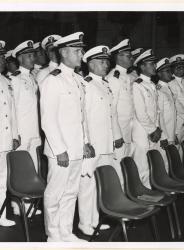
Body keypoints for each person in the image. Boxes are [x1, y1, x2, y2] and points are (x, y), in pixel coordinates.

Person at [40, 32, 90, 242]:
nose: (82, 55)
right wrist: (60, 150)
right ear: (64, 52)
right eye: (78, 51)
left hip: (76, 147)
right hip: (59, 150)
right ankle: (53, 236)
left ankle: (66, 232)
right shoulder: (52, 81)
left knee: (71, 192)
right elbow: (48, 120)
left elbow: (82, 116)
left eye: (81, 50)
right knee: (55, 193)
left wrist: (86, 142)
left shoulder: (77, 80)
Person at [78, 45, 122, 236]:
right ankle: (84, 223)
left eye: (107, 62)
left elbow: (112, 115)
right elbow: (82, 117)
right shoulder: (85, 84)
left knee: (99, 183)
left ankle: (95, 219)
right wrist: (86, 142)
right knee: (87, 185)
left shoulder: (104, 84)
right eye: (102, 62)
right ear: (91, 64)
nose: (107, 65)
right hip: (93, 144)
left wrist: (116, 137)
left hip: (105, 144)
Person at [132, 49, 162, 188]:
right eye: (151, 64)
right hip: (143, 133)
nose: (154, 67)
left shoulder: (151, 85)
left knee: (151, 167)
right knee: (142, 168)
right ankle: (142, 198)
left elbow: (156, 111)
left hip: (153, 132)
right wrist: (152, 130)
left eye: (154, 64)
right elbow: (141, 113)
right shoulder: (137, 85)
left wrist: (157, 129)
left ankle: (149, 197)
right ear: (142, 66)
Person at [107, 38, 134, 185]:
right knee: (117, 168)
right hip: (119, 131)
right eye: (127, 55)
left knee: (125, 167)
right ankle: (118, 201)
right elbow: (112, 109)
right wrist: (116, 135)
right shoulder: (113, 77)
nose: (131, 58)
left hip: (128, 130)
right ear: (118, 57)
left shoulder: (126, 77)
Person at [11, 40, 41, 172]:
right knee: (21, 171)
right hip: (22, 133)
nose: (32, 58)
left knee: (34, 169)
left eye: (33, 55)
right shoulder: (14, 79)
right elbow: (12, 109)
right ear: (19, 58)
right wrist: (15, 134)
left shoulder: (32, 77)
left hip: (34, 131)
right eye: (28, 56)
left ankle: (29, 194)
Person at [0, 40, 20, 227]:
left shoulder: (6, 81)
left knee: (3, 179)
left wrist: (15, 135)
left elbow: (12, 112)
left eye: (2, 57)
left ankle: (1, 214)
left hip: (4, 140)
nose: (2, 61)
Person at [155, 57, 177, 151]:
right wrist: (163, 137)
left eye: (170, 71)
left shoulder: (168, 88)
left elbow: (172, 115)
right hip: (164, 137)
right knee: (164, 163)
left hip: (170, 134)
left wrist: (174, 134)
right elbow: (159, 117)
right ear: (159, 74)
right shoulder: (159, 90)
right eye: (167, 71)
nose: (171, 73)